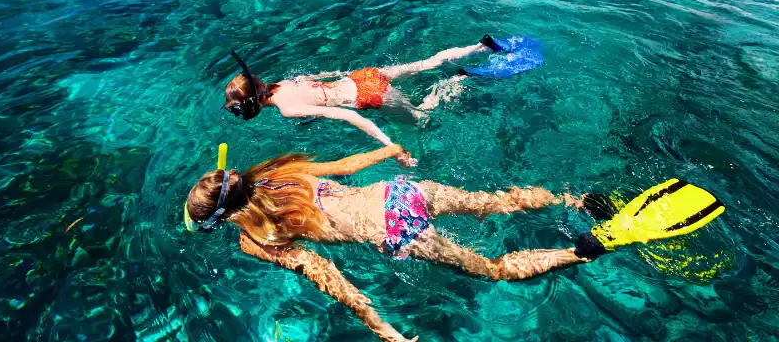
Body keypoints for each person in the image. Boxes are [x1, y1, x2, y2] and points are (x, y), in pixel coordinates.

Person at [183, 144, 724, 342]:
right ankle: (576, 198)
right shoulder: (284, 171)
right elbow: (344, 165)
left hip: (397, 232)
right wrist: (390, 150)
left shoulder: (255, 239)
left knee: (492, 269)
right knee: (494, 200)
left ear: (222, 220)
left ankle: (582, 249)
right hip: (401, 191)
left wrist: (382, 328)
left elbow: (330, 278)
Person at [223, 36, 513, 164]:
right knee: (426, 63)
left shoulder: (287, 108)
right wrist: (343, 73)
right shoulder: (281, 84)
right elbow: (322, 76)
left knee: (423, 119)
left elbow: (348, 116)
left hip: (369, 95)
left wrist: (389, 147)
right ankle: (480, 47)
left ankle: (460, 78)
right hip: (362, 77)